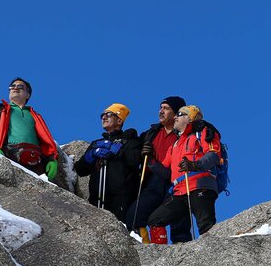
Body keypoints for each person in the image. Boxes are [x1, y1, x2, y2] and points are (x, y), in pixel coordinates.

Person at [146, 105, 223, 239]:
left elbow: (214, 155)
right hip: (180, 191)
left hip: (201, 185)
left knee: (206, 227)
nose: (175, 117)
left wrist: (194, 165)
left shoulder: (204, 132)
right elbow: (166, 173)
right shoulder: (175, 144)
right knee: (155, 220)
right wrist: (151, 161)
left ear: (190, 118)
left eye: (180, 114)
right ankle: (160, 256)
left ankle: (212, 257)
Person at [126, 96, 193, 243]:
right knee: (134, 216)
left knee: (179, 222)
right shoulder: (152, 133)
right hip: (153, 181)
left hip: (176, 181)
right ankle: (149, 253)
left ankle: (180, 252)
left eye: (166, 108)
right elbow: (136, 152)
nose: (161, 111)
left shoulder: (185, 135)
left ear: (176, 114)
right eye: (161, 108)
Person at [73, 103, 142, 222]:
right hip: (96, 196)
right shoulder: (96, 143)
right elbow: (80, 170)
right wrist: (90, 156)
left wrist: (119, 150)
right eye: (102, 115)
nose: (104, 117)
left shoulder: (131, 142)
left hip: (120, 198)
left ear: (119, 121)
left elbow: (134, 161)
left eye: (109, 114)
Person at [0, 77, 59, 180]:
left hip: (36, 161)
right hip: (10, 154)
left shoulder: (36, 117)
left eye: (20, 87)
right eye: (12, 86)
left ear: (27, 95)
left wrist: (51, 159)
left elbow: (45, 139)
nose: (15, 88)